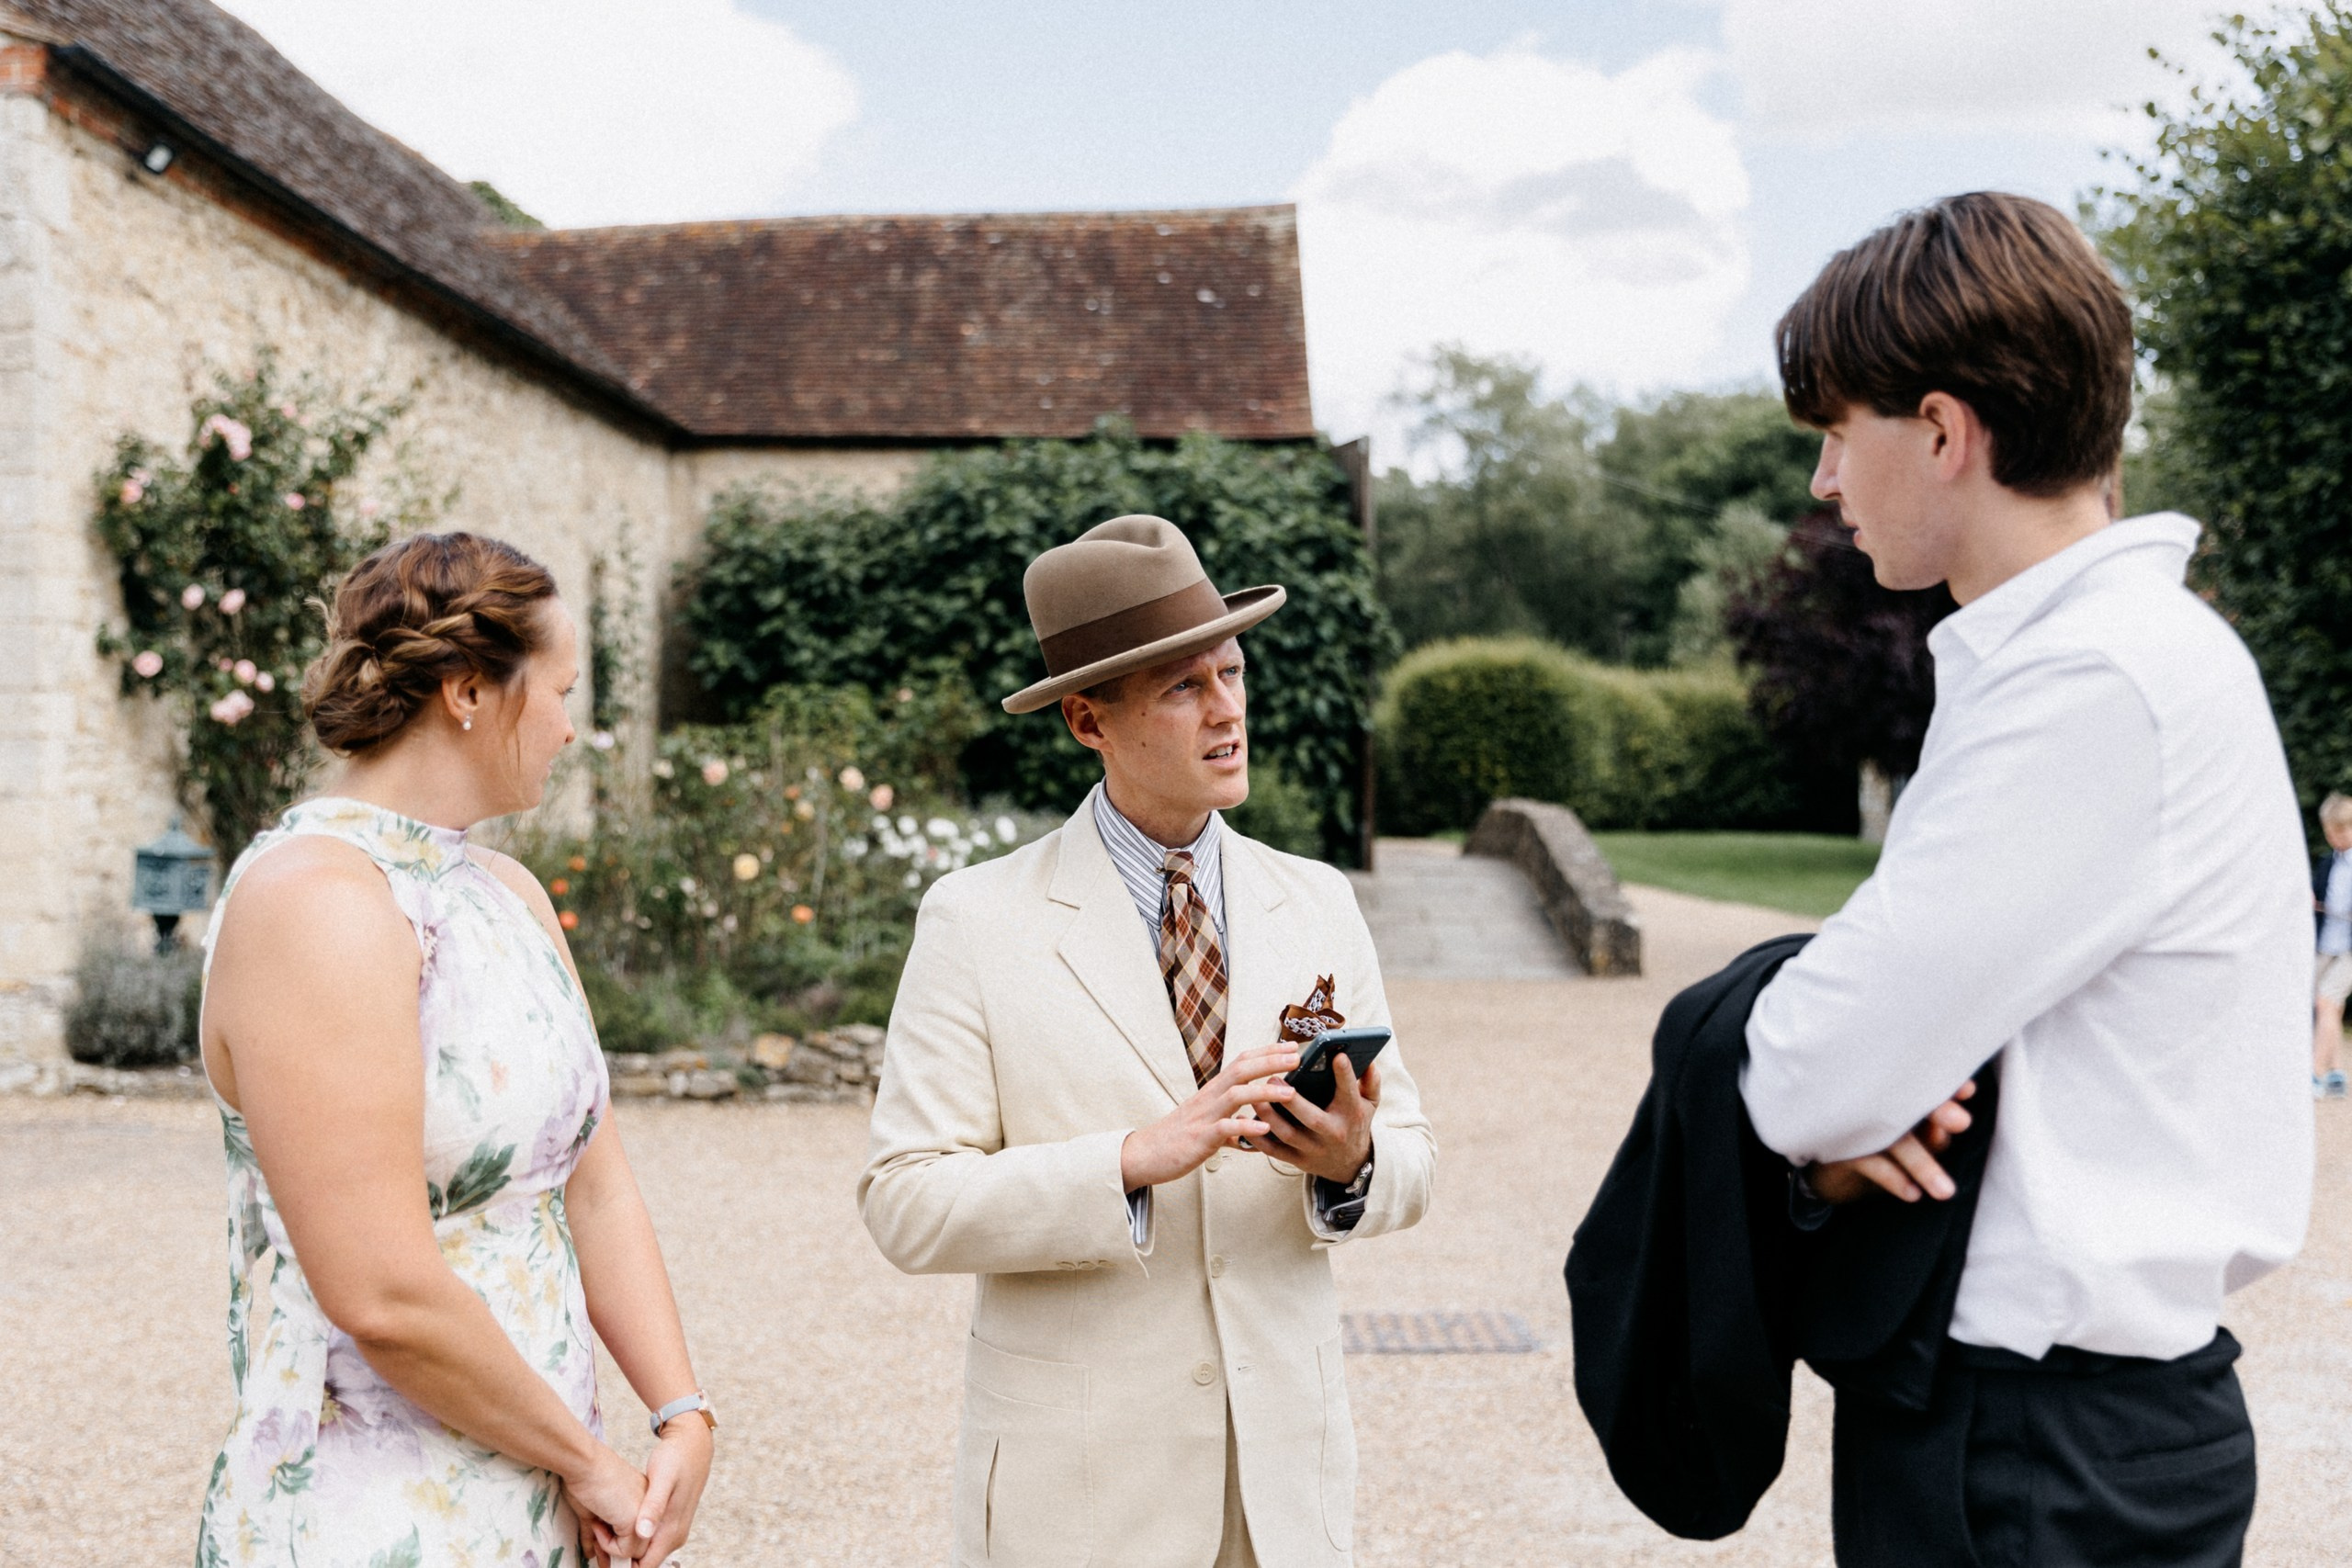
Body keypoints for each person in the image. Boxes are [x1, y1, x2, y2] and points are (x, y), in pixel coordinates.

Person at [1741, 193, 2312, 1566]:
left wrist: (1812, 1052)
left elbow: (1809, 1075)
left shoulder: (2091, 679)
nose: (1824, 480)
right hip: (2071, 1430)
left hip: (2036, 1446)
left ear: (1943, 434)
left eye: (1840, 431)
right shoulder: (2119, 653)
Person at [860, 514, 1436, 1568]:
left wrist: (1351, 1163)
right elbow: (905, 1202)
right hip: (1078, 1501)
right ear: (1088, 719)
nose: (1228, 710)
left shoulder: (1317, 901)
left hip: (1282, 1495)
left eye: (1232, 673)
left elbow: (1413, 1157)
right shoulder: (975, 920)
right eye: (1183, 688)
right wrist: (1128, 1161)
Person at [195, 533, 712, 1567]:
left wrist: (681, 1412)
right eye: (559, 692)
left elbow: (594, 1183)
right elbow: (379, 1292)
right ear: (469, 691)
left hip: (535, 1484)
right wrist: (591, 1464)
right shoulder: (315, 905)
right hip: (373, 1511)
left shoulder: (505, 894)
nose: (571, 728)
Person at [2312, 792, 2352, 1099]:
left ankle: (2314, 1073)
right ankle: (2337, 1072)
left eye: (2341, 832)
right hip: (2327, 944)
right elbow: (2317, 895)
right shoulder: (2327, 863)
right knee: (2329, 1007)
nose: (2335, 839)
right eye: (2330, 833)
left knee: (2326, 1002)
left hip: (2350, 950)